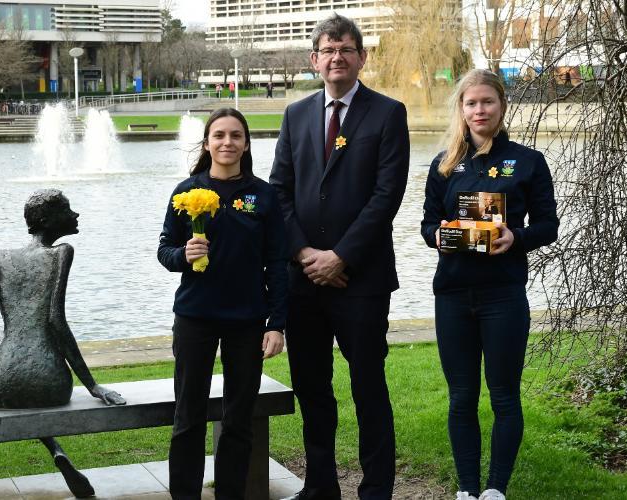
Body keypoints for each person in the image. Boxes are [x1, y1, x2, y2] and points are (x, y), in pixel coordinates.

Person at [269, 14, 409, 500]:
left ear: (361, 57)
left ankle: (376, 490)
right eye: (328, 50)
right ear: (314, 59)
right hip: (303, 281)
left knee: (368, 388)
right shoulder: (295, 114)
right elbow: (279, 192)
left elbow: (387, 195)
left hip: (362, 280)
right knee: (312, 388)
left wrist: (341, 256)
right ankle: (321, 484)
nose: (337, 57)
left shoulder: (388, 114)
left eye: (346, 49)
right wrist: (305, 253)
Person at [421, 69, 559, 500]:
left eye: (487, 102)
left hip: (503, 295)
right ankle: (467, 488)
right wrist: (442, 237)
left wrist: (516, 237)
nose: (479, 110)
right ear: (461, 110)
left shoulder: (528, 161)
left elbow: (548, 226)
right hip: (454, 295)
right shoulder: (443, 164)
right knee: (461, 397)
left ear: (501, 106)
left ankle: (495, 488)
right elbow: (427, 226)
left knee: (504, 396)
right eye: (470, 103)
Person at [0, 189, 126, 497]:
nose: (75, 215)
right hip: (48, 382)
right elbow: (55, 321)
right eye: (67, 209)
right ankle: (55, 449)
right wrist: (93, 386)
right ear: (45, 220)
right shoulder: (61, 252)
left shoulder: (0, 257)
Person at [158, 108, 288, 500]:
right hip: (195, 317)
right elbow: (164, 250)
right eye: (219, 135)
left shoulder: (262, 195)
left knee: (237, 420)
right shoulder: (186, 191)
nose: (227, 142)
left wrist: (276, 322)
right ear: (207, 143)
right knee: (188, 417)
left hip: (246, 321)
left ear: (246, 143)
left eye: (235, 136)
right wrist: (184, 253)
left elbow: (278, 263)